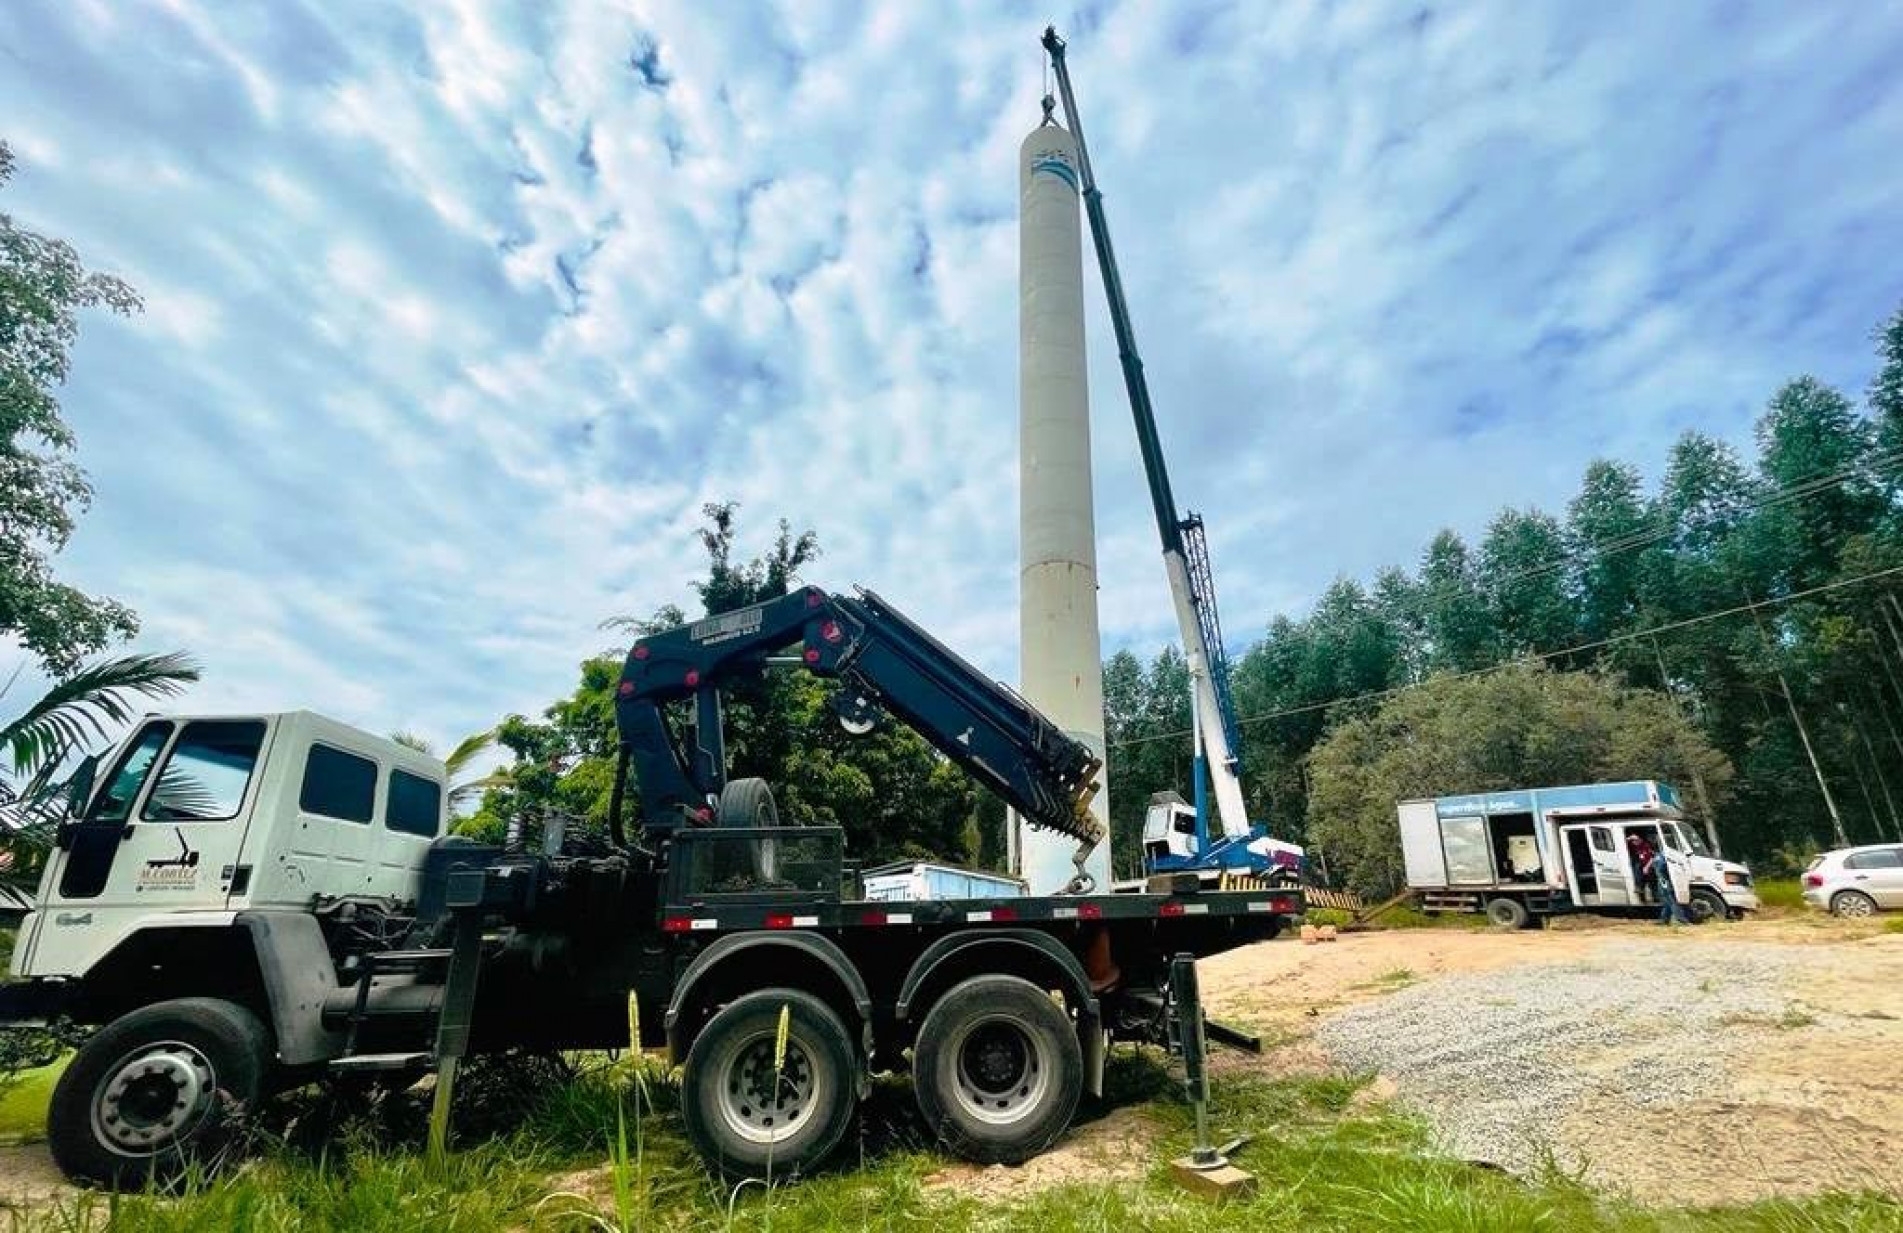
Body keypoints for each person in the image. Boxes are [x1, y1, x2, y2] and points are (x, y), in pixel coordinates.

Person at [1644, 845, 1688, 925]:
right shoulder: (1663, 857)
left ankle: (1668, 920)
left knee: (1668, 901)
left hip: (1662, 882)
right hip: (1665, 882)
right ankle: (1678, 920)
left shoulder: (1659, 857)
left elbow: (1657, 869)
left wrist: (1648, 866)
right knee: (1670, 901)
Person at [1626, 833, 1655, 903]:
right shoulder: (1634, 846)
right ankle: (1642, 898)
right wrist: (1630, 838)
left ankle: (1656, 898)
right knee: (1637, 868)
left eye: (1636, 840)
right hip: (1641, 867)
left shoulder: (1646, 845)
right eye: (1633, 841)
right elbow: (1621, 841)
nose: (1634, 842)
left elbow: (1652, 858)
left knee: (1652, 883)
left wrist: (1647, 867)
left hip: (1649, 865)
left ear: (1640, 839)